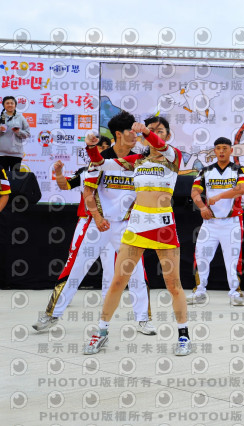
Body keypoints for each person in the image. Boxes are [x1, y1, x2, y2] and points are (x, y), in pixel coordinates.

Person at [82, 115, 191, 356]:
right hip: (137, 225)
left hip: (163, 227)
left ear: (168, 135)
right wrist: (91, 147)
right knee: (118, 281)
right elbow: (101, 163)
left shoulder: (173, 157)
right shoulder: (137, 161)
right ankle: (101, 331)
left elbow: (159, 144)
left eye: (159, 131)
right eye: (150, 130)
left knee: (173, 285)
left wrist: (146, 132)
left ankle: (184, 336)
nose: (154, 134)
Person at [33, 123, 154, 335]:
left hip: (126, 226)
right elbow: (88, 193)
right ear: (118, 134)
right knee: (75, 268)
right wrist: (97, 217)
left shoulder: (139, 161)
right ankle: (52, 314)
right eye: (131, 132)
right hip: (97, 225)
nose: (135, 136)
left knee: (135, 271)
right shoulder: (99, 160)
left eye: (137, 132)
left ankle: (144, 319)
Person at [188, 136, 244, 306]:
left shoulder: (239, 169)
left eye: (225, 148)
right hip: (210, 223)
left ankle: (235, 293)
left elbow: (242, 188)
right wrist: (202, 207)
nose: (221, 151)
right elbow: (194, 192)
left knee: (233, 259)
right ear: (214, 151)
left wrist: (219, 196)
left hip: (232, 222)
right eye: (218, 148)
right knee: (201, 255)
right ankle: (199, 292)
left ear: (231, 150)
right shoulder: (205, 171)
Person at [0, 96, 31, 172]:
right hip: (1, 153)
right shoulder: (1, 117)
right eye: (7, 103)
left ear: (15, 105)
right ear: (3, 105)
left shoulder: (20, 117)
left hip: (16, 154)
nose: (10, 105)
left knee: (15, 177)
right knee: (2, 177)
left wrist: (18, 131)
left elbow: (27, 134)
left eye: (12, 103)